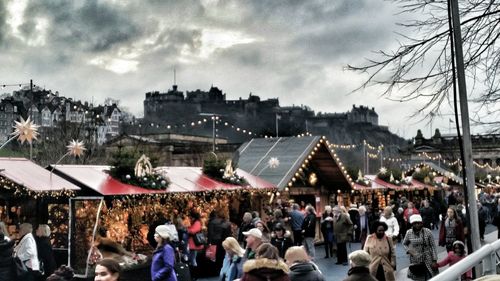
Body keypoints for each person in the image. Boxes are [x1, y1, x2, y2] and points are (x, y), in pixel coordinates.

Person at [403, 214, 438, 280]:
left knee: (430, 277)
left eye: (419, 223)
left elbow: (433, 246)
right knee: (418, 277)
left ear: (421, 223)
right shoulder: (409, 232)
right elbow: (404, 244)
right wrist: (409, 251)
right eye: (415, 223)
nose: (417, 225)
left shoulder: (428, 231)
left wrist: (434, 260)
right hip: (415, 260)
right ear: (412, 224)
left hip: (428, 258)